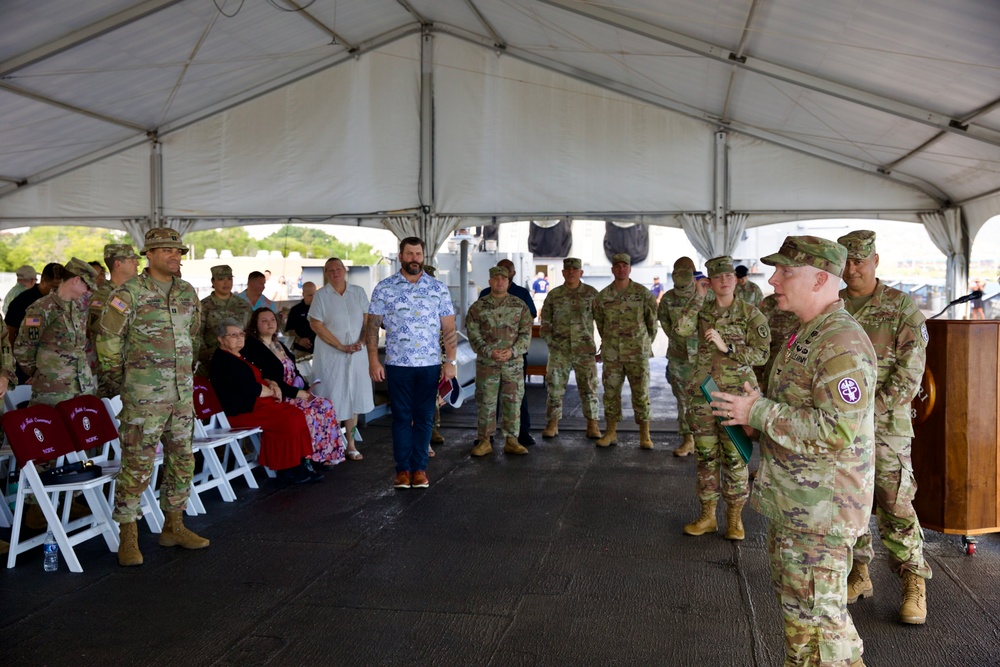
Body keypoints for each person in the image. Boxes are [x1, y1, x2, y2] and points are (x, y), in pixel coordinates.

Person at [709, 235, 876, 667]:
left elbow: (837, 429)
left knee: (824, 631)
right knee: (804, 628)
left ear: (821, 278)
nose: (774, 279)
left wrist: (759, 410)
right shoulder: (807, 332)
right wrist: (755, 418)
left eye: (786, 271)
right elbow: (802, 415)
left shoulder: (841, 343)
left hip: (822, 513)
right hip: (799, 506)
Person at [95, 227, 208, 567]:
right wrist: (126, 383)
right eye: (168, 251)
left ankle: (174, 525)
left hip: (181, 394)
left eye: (179, 252)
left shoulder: (188, 292)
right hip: (144, 395)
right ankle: (128, 535)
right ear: (150, 254)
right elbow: (107, 343)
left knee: (182, 459)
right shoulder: (128, 294)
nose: (176, 257)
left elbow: (194, 337)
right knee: (137, 463)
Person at [837, 229, 931, 625]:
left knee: (894, 502)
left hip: (886, 426)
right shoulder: (831, 306)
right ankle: (859, 574)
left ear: (876, 260)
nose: (854, 267)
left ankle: (914, 581)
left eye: (861, 259)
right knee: (849, 502)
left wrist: (869, 411)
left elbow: (911, 374)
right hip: (839, 428)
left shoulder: (900, 307)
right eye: (848, 260)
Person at [676, 255, 769, 539]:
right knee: (705, 457)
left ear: (735, 279)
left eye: (728, 275)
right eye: (717, 277)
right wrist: (697, 296)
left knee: (734, 458)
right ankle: (707, 517)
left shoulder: (751, 313)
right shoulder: (703, 311)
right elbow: (680, 329)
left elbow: (763, 354)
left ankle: (734, 519)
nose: (724, 280)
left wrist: (728, 348)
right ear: (710, 282)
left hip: (736, 400)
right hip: (704, 395)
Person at [366, 237, 457, 490]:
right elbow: (372, 328)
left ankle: (420, 470)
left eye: (418, 253)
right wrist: (374, 361)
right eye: (410, 253)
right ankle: (403, 470)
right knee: (401, 418)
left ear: (423, 257)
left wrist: (451, 362)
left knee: (425, 418)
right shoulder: (384, 288)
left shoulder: (438, 289)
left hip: (429, 365)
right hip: (397, 364)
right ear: (400, 256)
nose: (414, 258)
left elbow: (449, 327)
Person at [209, 319, 322, 483]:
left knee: (296, 413)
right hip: (242, 411)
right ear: (221, 339)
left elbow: (260, 375)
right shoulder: (223, 360)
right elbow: (250, 388)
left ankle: (300, 463)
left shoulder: (241, 354)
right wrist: (273, 391)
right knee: (287, 420)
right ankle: (286, 469)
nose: (239, 338)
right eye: (233, 335)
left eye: (241, 334)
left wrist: (272, 383)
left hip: (260, 404)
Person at [241, 307, 346, 467]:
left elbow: (293, 369)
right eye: (264, 320)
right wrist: (296, 393)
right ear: (255, 325)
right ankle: (308, 457)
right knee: (308, 412)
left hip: (296, 391)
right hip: (279, 395)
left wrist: (304, 386)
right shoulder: (253, 347)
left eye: (272, 320)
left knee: (325, 405)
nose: (270, 323)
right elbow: (266, 378)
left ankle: (324, 454)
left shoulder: (278, 344)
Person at [310, 257, 374, 461]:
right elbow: (316, 324)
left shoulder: (358, 292)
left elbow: (368, 320)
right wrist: (340, 346)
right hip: (331, 354)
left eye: (338, 268)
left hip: (357, 352)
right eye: (330, 270)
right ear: (326, 273)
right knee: (332, 395)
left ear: (344, 270)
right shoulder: (321, 295)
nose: (335, 272)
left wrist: (361, 342)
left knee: (353, 396)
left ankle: (351, 445)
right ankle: (330, 445)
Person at [593, 253, 658, 448]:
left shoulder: (643, 294)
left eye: (625, 265)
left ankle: (645, 435)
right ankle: (611, 432)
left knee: (641, 394)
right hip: (612, 354)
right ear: (612, 269)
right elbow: (600, 324)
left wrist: (642, 344)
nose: (621, 268)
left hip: (637, 354)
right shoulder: (603, 296)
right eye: (617, 265)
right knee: (611, 393)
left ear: (630, 269)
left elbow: (652, 324)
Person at [14, 258, 99, 407]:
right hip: (53, 391)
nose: (88, 291)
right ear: (76, 280)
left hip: (83, 387)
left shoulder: (78, 308)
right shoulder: (42, 308)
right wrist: (42, 373)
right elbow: (24, 348)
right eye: (87, 286)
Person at [468, 265, 533, 456]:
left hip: (512, 365)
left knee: (513, 402)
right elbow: (473, 334)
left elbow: (525, 335)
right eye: (495, 278)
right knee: (486, 402)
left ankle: (512, 440)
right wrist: (489, 351)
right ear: (489, 282)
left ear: (508, 282)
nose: (499, 281)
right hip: (487, 364)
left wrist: (512, 352)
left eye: (503, 279)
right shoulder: (478, 307)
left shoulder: (520, 306)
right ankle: (485, 440)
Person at [539, 257, 601, 439]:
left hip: (584, 350)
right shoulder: (554, 295)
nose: (572, 272)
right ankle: (552, 424)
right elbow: (545, 322)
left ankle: (593, 425)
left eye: (575, 270)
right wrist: (551, 342)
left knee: (589, 388)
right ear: (563, 273)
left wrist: (604, 346)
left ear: (581, 273)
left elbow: (602, 320)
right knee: (555, 388)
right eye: (568, 270)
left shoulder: (591, 294)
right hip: (560, 350)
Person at [657, 257, 701, 456]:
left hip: (704, 359)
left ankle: (708, 441)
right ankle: (688, 439)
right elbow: (666, 325)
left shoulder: (706, 296)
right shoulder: (668, 299)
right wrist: (680, 340)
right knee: (683, 401)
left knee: (709, 400)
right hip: (679, 358)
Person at [198, 265, 253, 375]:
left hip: (240, 362)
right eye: (221, 279)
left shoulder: (243, 305)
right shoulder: (203, 306)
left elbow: (250, 333)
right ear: (213, 282)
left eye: (229, 279)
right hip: (212, 363)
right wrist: (208, 358)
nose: (226, 283)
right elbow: (197, 336)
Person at [87, 244, 140, 343]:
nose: (137, 263)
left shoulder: (135, 291)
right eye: (132, 260)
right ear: (118, 264)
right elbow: (100, 335)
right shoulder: (103, 296)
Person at [6, 262, 63, 346]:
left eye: (60, 288)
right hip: (26, 353)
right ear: (42, 280)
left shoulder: (61, 300)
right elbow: (10, 331)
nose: (56, 291)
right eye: (53, 287)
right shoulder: (22, 301)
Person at [756, 293, 800, 396]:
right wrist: (757, 378)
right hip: (772, 372)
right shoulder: (769, 304)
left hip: (798, 383)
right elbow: (760, 343)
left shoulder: (813, 306)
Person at [285, 281, 317, 356]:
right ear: (303, 294)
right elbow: (289, 330)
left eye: (315, 294)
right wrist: (299, 340)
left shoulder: (322, 308)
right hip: (302, 351)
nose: (313, 298)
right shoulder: (295, 310)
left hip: (320, 349)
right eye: (310, 295)